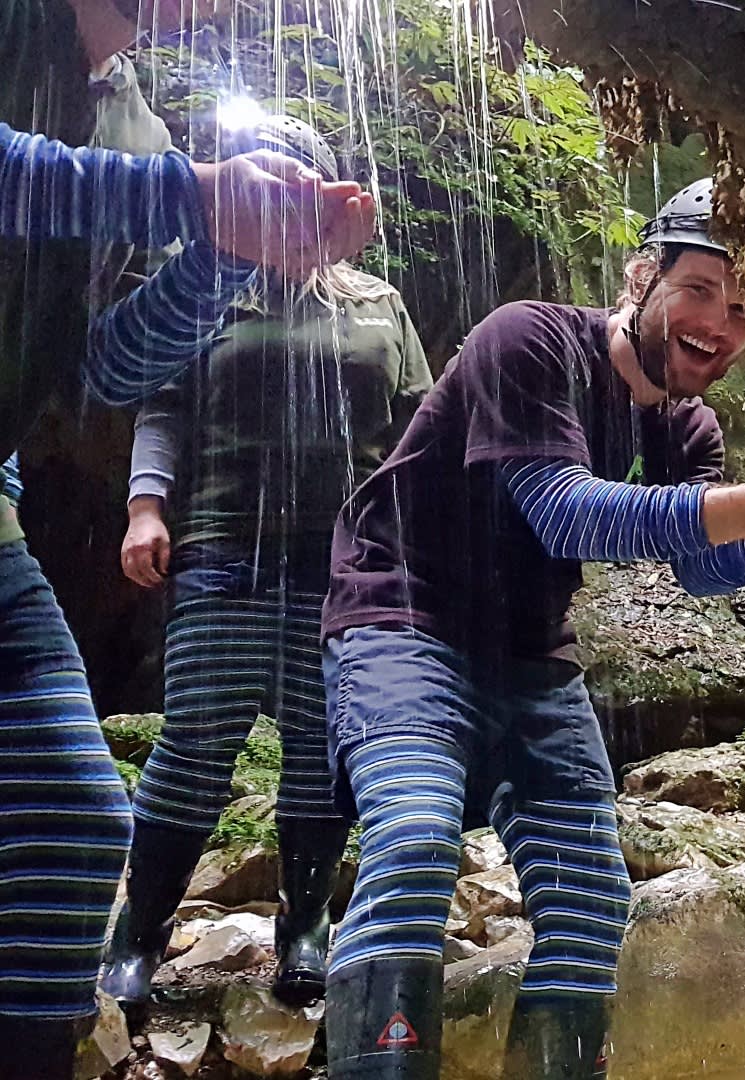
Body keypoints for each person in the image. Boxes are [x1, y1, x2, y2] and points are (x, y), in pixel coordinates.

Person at [319, 177, 745, 1080]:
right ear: (641, 278)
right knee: (417, 838)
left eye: (742, 309)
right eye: (699, 289)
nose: (718, 323)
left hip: (532, 653)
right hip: (403, 616)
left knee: (590, 895)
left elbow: (702, 571)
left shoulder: (688, 428)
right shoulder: (529, 338)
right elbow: (567, 515)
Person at [0, 0, 376, 1070]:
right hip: (218, 554)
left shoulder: (133, 128)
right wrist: (197, 197)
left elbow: (102, 369)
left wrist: (221, 250)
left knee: (76, 818)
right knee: (182, 749)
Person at [104, 115, 434, 1014]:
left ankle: (305, 927)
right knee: (196, 742)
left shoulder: (379, 303)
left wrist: (426, 537)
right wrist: (145, 507)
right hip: (222, 549)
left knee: (321, 750)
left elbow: (417, 428)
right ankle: (139, 935)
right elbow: (163, 405)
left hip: (347, 561)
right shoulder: (209, 289)